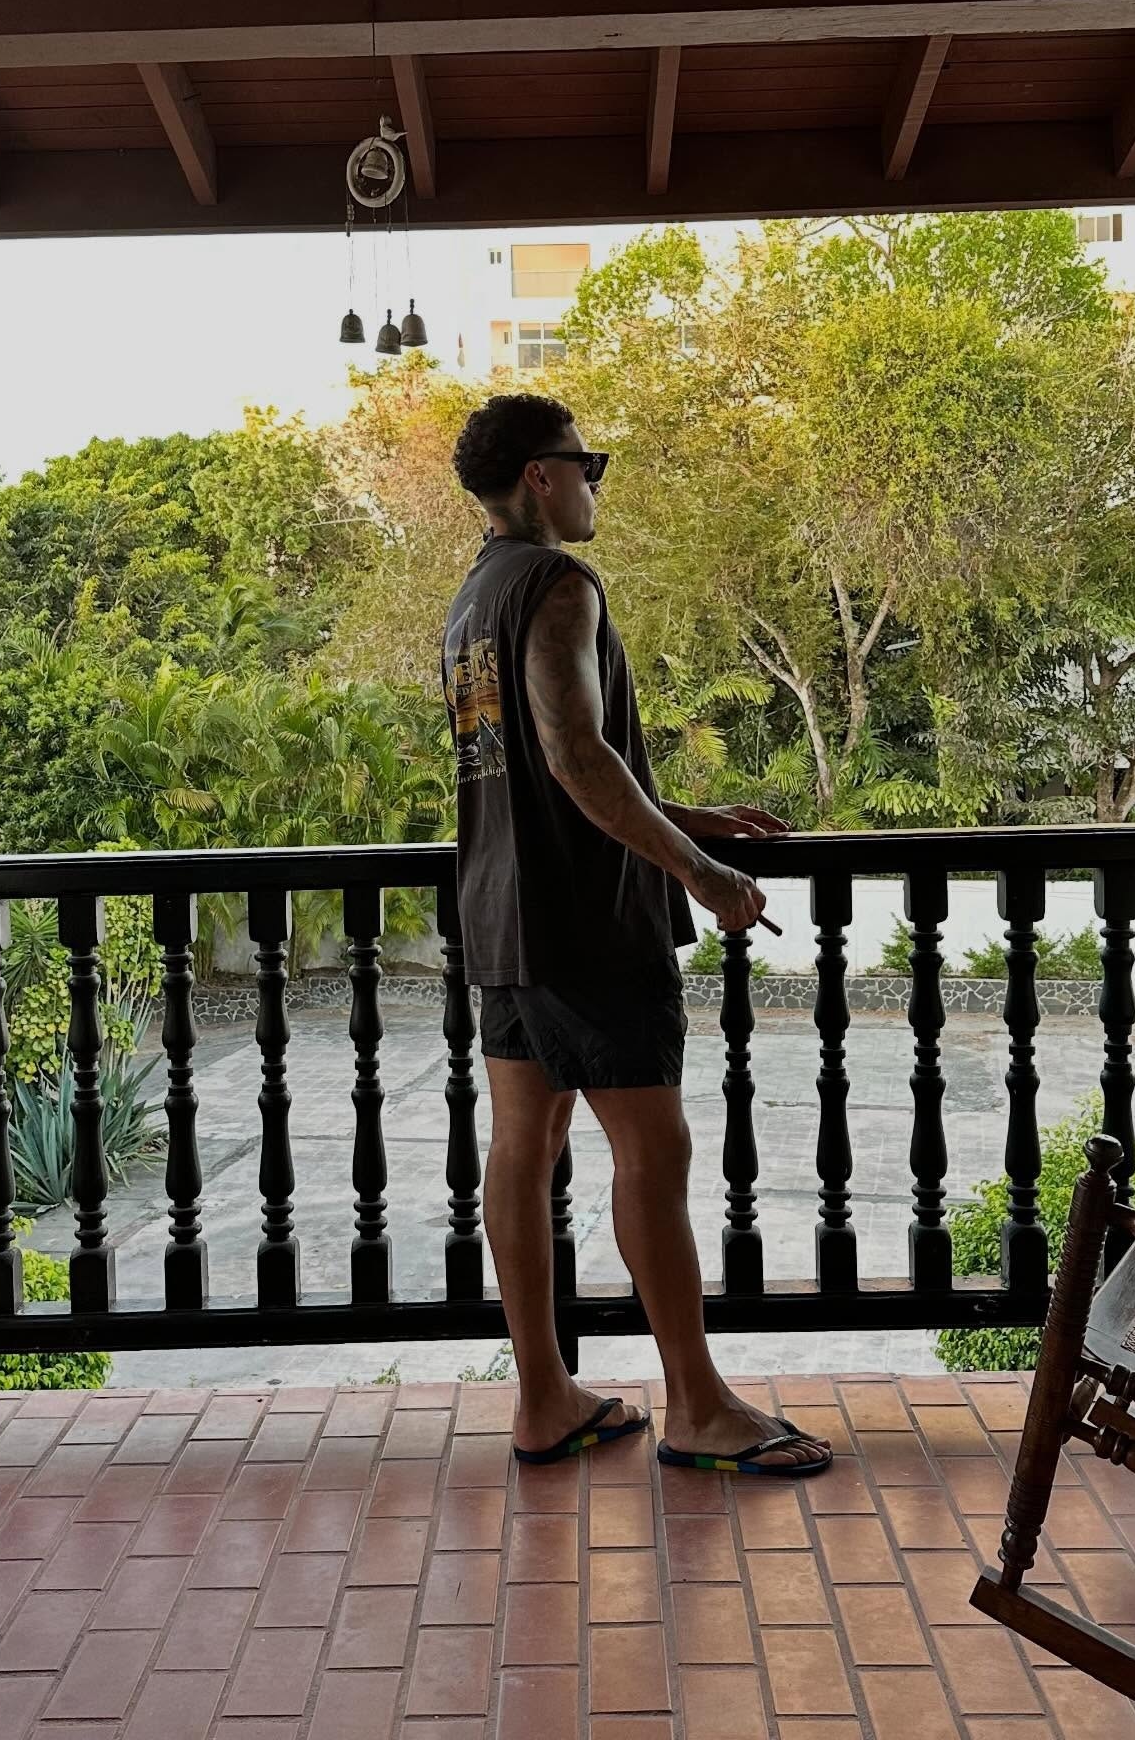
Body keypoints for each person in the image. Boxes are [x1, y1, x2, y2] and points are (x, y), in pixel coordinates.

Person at [441, 393, 831, 1477]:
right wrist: (700, 871)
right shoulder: (558, 583)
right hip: (586, 923)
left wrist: (688, 816)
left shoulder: (473, 599)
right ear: (541, 475)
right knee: (653, 1155)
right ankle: (698, 1408)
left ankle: (544, 1400)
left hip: (504, 914)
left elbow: (543, 768)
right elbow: (574, 752)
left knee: (523, 1151)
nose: (594, 481)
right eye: (586, 462)